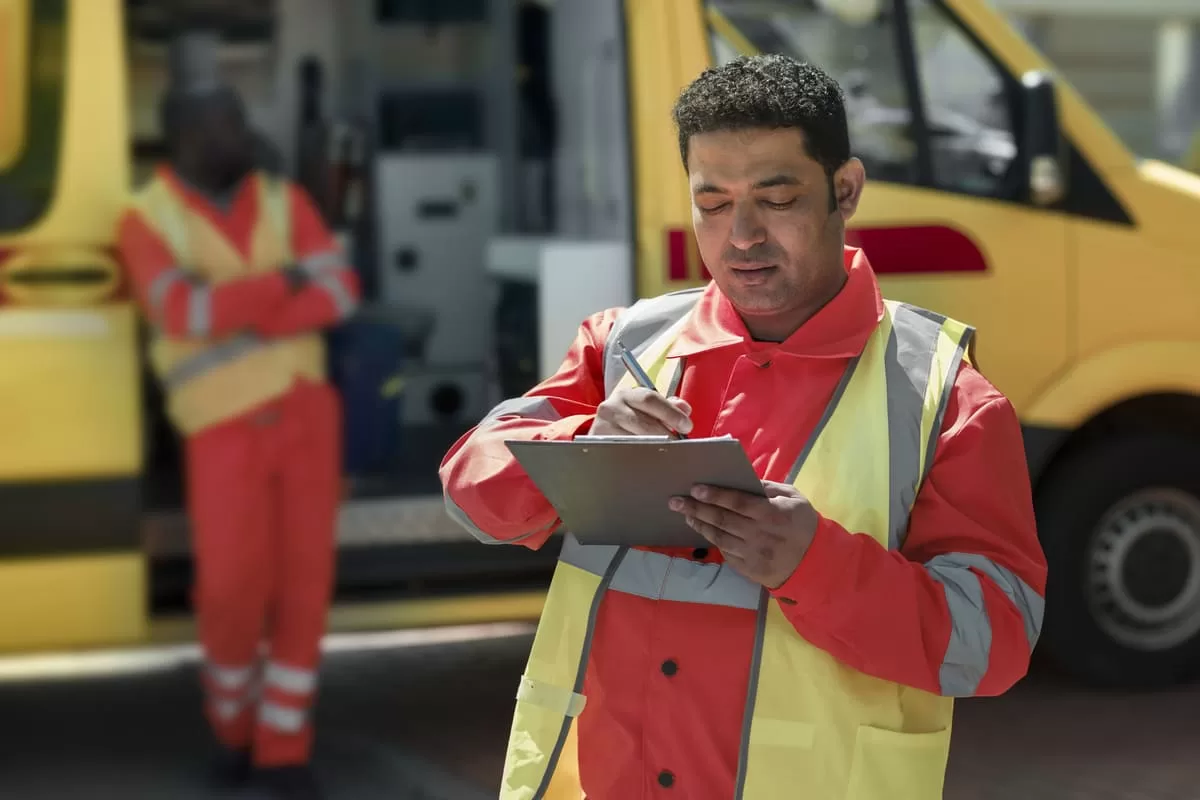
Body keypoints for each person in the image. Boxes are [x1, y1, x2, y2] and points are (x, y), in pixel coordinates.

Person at [440, 55, 1047, 799]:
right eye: (714, 203)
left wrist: (817, 565)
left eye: (777, 197)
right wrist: (585, 442)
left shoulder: (947, 397)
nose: (742, 235)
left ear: (845, 190)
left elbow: (997, 644)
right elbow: (470, 494)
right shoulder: (623, 347)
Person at [116, 44, 359, 800]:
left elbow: (340, 293)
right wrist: (282, 287)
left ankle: (284, 750)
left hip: (306, 416)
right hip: (221, 428)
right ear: (186, 135)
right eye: (226, 125)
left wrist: (232, 307)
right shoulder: (144, 216)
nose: (243, 136)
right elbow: (176, 310)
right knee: (229, 592)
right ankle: (232, 732)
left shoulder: (285, 200)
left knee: (303, 589)